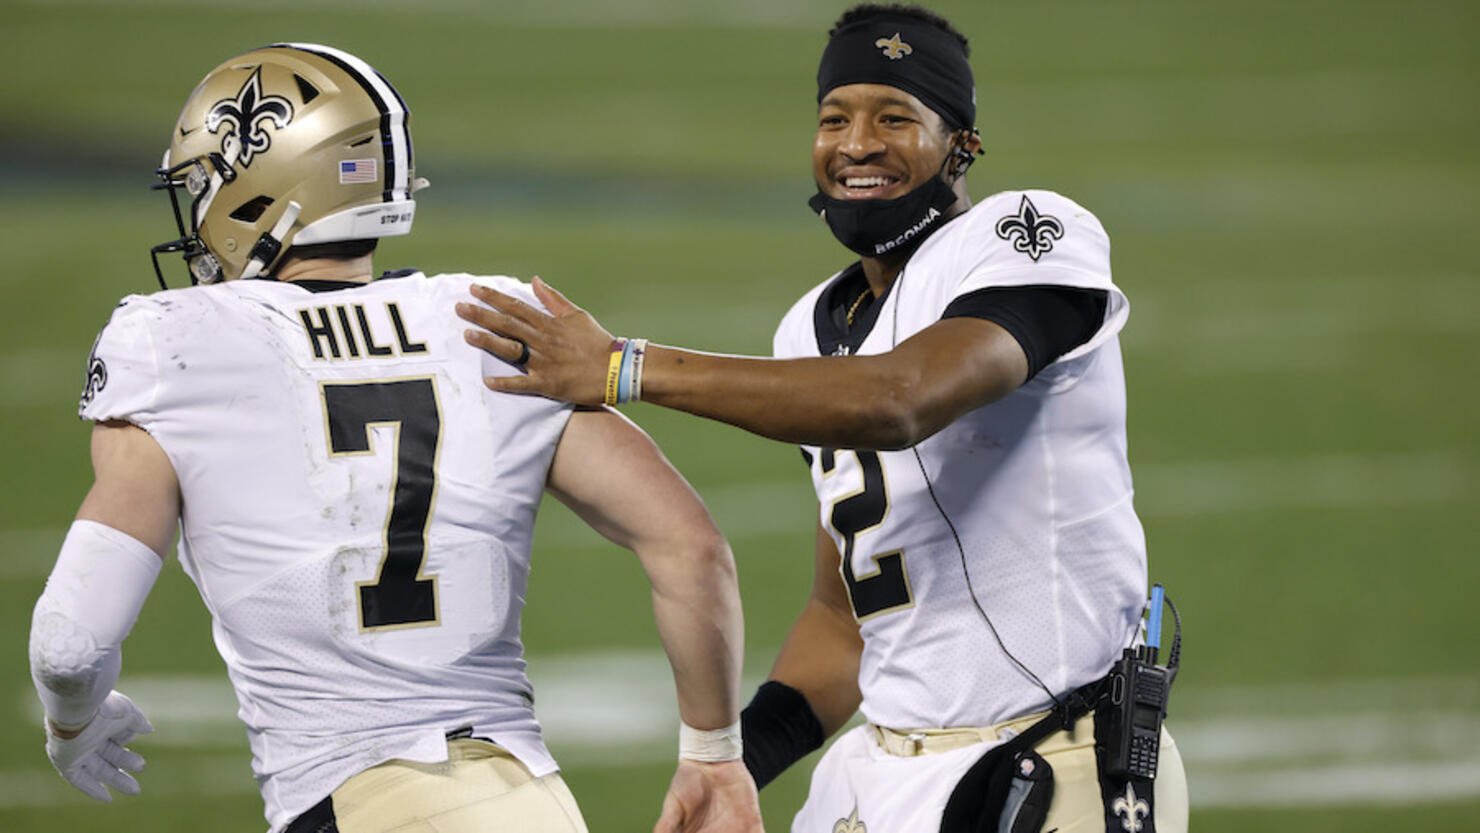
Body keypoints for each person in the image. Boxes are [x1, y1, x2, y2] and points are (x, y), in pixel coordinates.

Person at [453, 4, 1190, 832]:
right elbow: (843, 624)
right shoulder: (809, 328)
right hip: (887, 770)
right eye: (834, 118)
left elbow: (901, 398)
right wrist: (731, 760)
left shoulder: (1027, 235)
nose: (857, 143)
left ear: (962, 145)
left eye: (895, 117)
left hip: (1053, 756)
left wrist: (625, 367)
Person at [28, 43, 764, 833]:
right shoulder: (492, 323)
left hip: (355, 801)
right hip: (533, 803)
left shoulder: (177, 341)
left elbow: (71, 642)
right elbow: (692, 547)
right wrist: (715, 753)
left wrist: (72, 722)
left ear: (263, 182)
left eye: (208, 182)